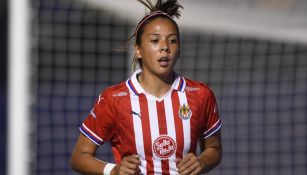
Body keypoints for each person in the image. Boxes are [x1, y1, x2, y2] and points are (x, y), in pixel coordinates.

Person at [70, 0, 222, 174]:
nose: (165, 47)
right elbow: (79, 156)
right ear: (138, 50)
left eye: (172, 41)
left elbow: (214, 149)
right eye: (155, 40)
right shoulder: (113, 99)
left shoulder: (201, 95)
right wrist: (114, 170)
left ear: (179, 49)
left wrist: (202, 162)